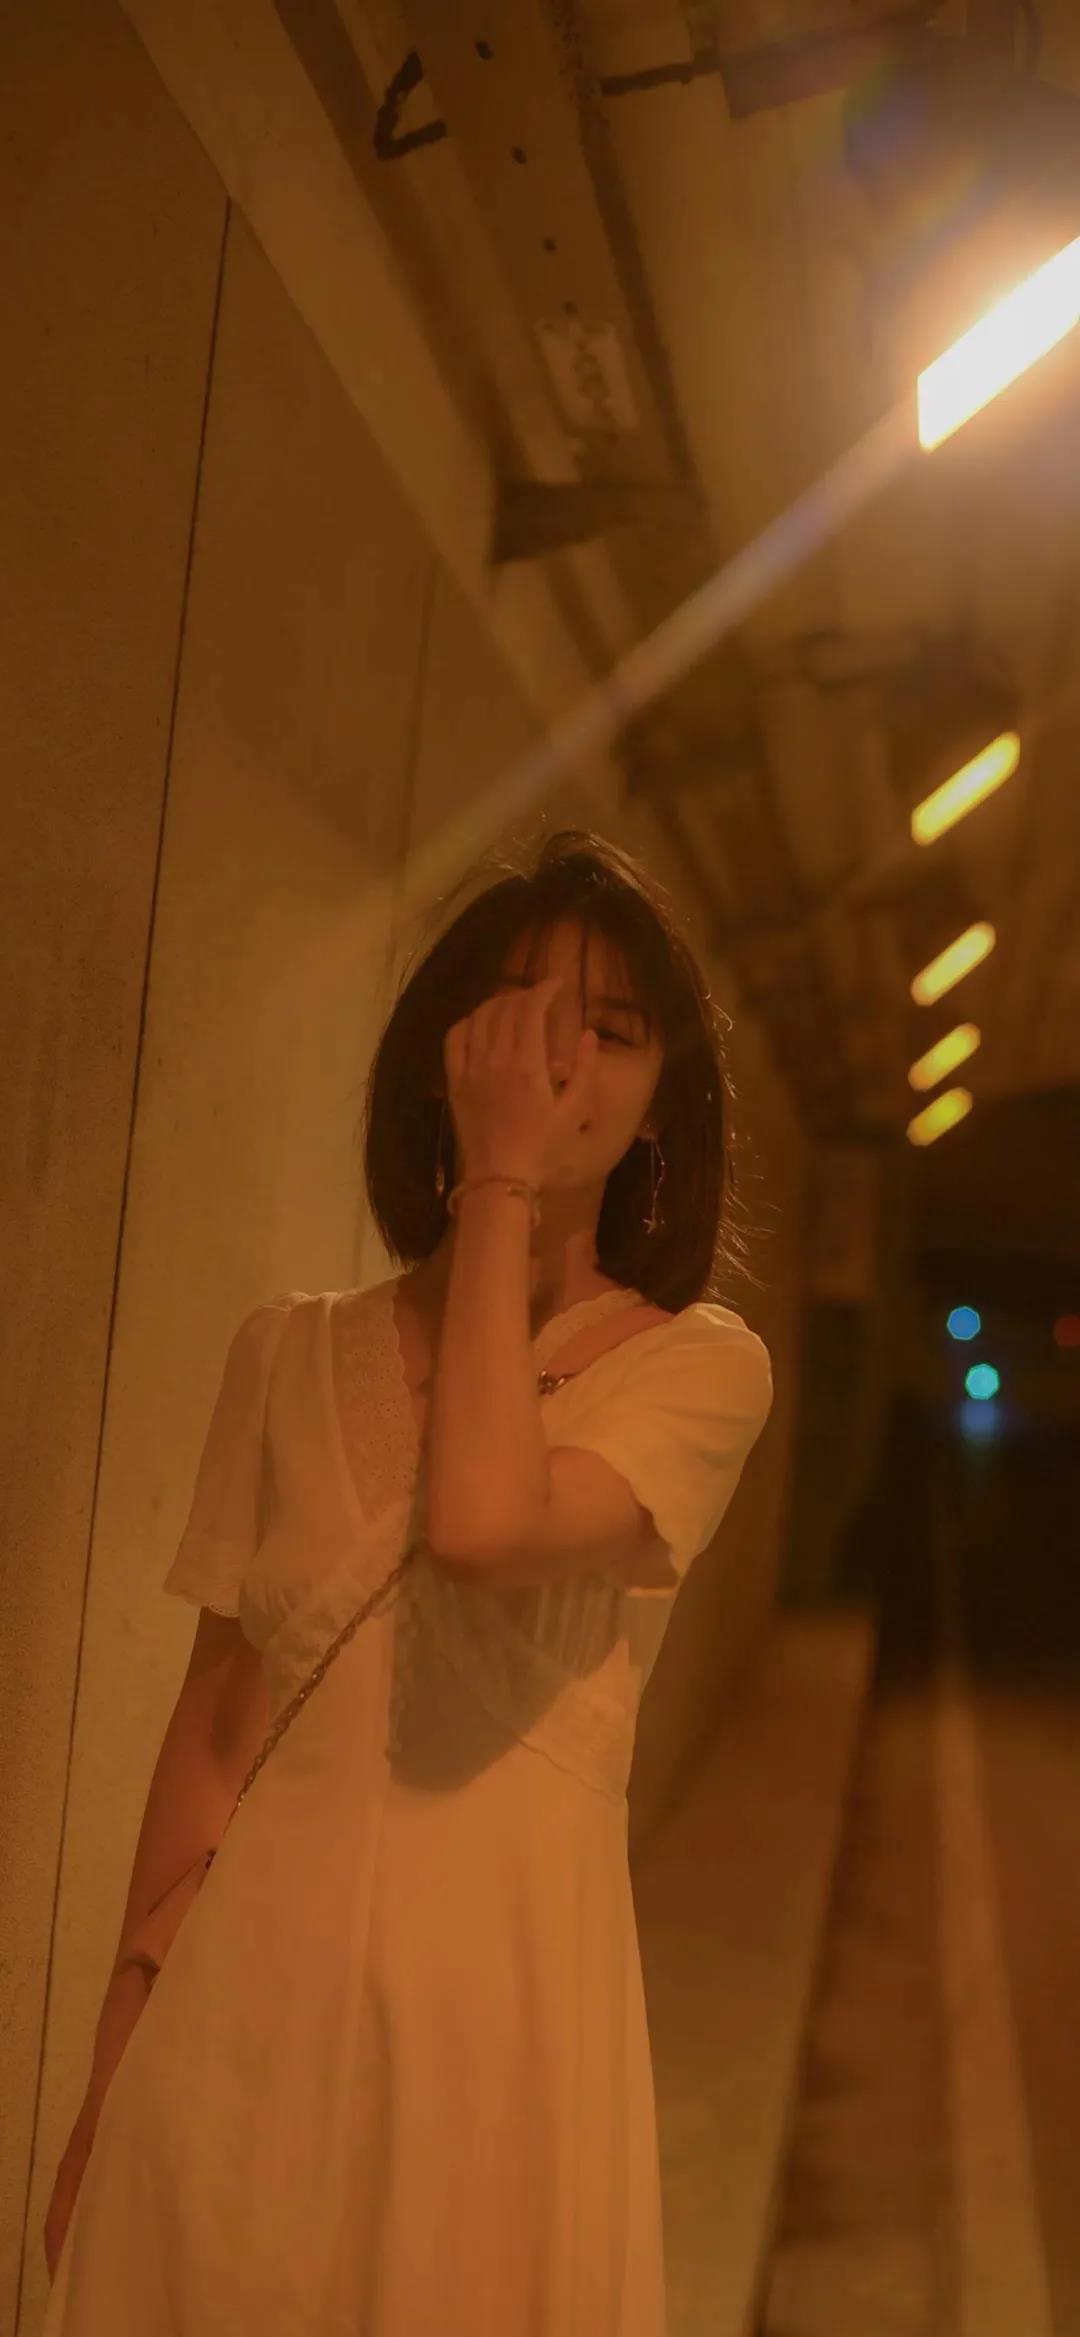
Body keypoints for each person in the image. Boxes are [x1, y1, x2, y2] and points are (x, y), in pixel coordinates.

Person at [43, 826, 773, 2333]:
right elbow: (216, 1724)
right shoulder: (285, 1351)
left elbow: (485, 1522)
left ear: (660, 1105)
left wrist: (499, 1182)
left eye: (612, 1031)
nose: (556, 1057)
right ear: (447, 1042)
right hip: (240, 2029)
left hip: (494, 2043)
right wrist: (115, 2060)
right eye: (520, 1009)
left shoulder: (698, 1371)